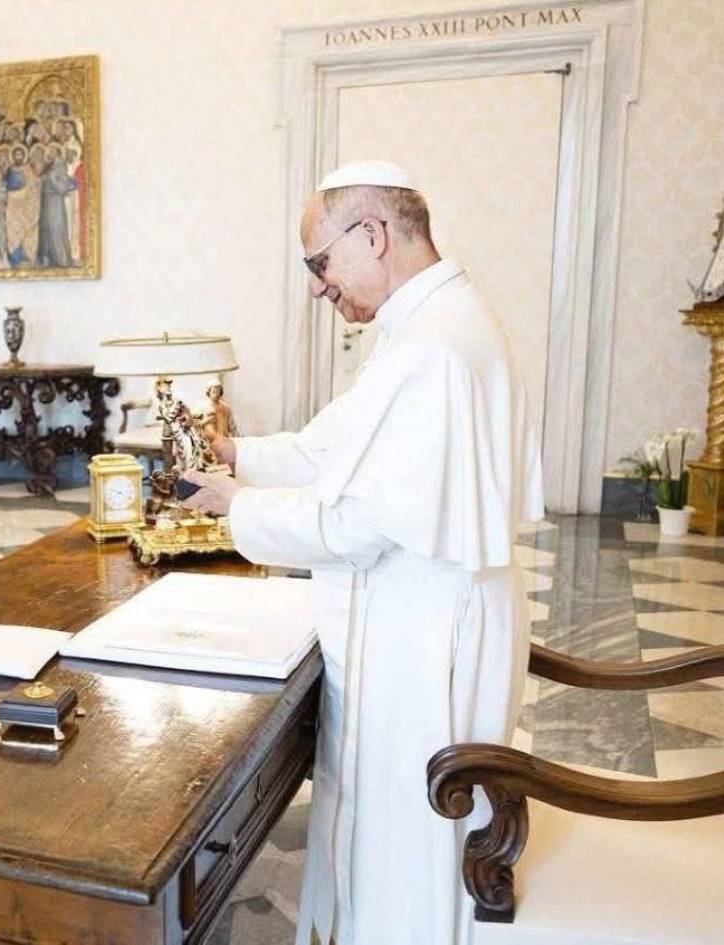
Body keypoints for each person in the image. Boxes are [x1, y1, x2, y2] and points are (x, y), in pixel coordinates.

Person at [182, 160, 543, 945]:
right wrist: (241, 455)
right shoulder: (428, 323)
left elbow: (356, 522)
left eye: (321, 262)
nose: (319, 286)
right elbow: (337, 447)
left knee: (405, 841)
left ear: (372, 234)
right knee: (387, 831)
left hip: (425, 634)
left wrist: (238, 507)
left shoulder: (432, 346)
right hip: (423, 616)